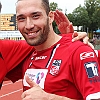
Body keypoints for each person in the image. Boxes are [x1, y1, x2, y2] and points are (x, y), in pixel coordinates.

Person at [5, 0, 100, 100]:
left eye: (35, 16)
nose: (28, 25)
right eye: (21, 18)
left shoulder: (78, 51)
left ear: (50, 17)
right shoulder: (26, 54)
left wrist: (50, 98)